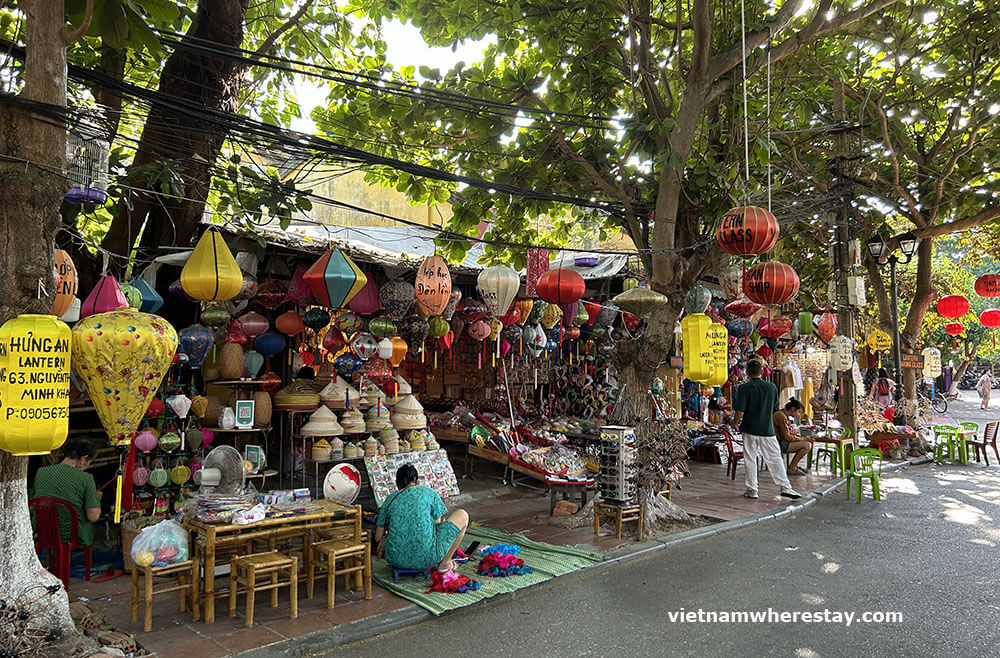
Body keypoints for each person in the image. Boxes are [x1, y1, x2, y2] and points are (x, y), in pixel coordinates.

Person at [375, 464, 469, 573]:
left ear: (398, 483)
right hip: (428, 558)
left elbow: (377, 538)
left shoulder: (390, 499)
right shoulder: (430, 493)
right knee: (463, 515)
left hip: (394, 558)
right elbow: (436, 527)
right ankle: (445, 564)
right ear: (416, 480)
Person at [732, 360, 800, 500]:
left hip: (749, 428)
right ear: (762, 371)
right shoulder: (771, 387)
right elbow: (775, 408)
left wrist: (734, 423)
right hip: (767, 429)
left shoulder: (744, 388)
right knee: (775, 458)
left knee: (750, 458)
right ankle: (785, 486)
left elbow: (740, 411)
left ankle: (752, 489)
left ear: (747, 372)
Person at [31, 437, 102, 546]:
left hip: (42, 530)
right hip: (70, 535)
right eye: (89, 462)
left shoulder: (41, 472)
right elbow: (93, 516)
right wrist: (96, 499)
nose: (87, 466)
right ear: (84, 458)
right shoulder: (86, 478)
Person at [774, 399, 812, 475]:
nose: (798, 415)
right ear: (793, 409)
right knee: (807, 445)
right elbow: (786, 436)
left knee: (807, 442)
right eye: (799, 412)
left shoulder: (783, 414)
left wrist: (799, 437)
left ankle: (794, 465)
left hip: (782, 441)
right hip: (779, 443)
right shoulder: (781, 416)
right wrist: (802, 438)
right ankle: (792, 468)